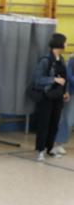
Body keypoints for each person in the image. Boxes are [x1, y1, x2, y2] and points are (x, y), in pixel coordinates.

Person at [31, 33, 69, 162]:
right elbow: (37, 79)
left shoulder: (61, 59)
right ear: (59, 43)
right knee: (44, 124)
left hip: (58, 97)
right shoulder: (45, 60)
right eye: (65, 42)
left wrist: (65, 91)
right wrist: (54, 79)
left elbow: (64, 78)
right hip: (46, 97)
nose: (67, 44)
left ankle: (50, 148)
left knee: (54, 123)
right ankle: (40, 150)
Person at [53, 53, 74, 154]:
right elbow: (69, 75)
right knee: (68, 119)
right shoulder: (72, 59)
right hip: (72, 94)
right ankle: (58, 143)